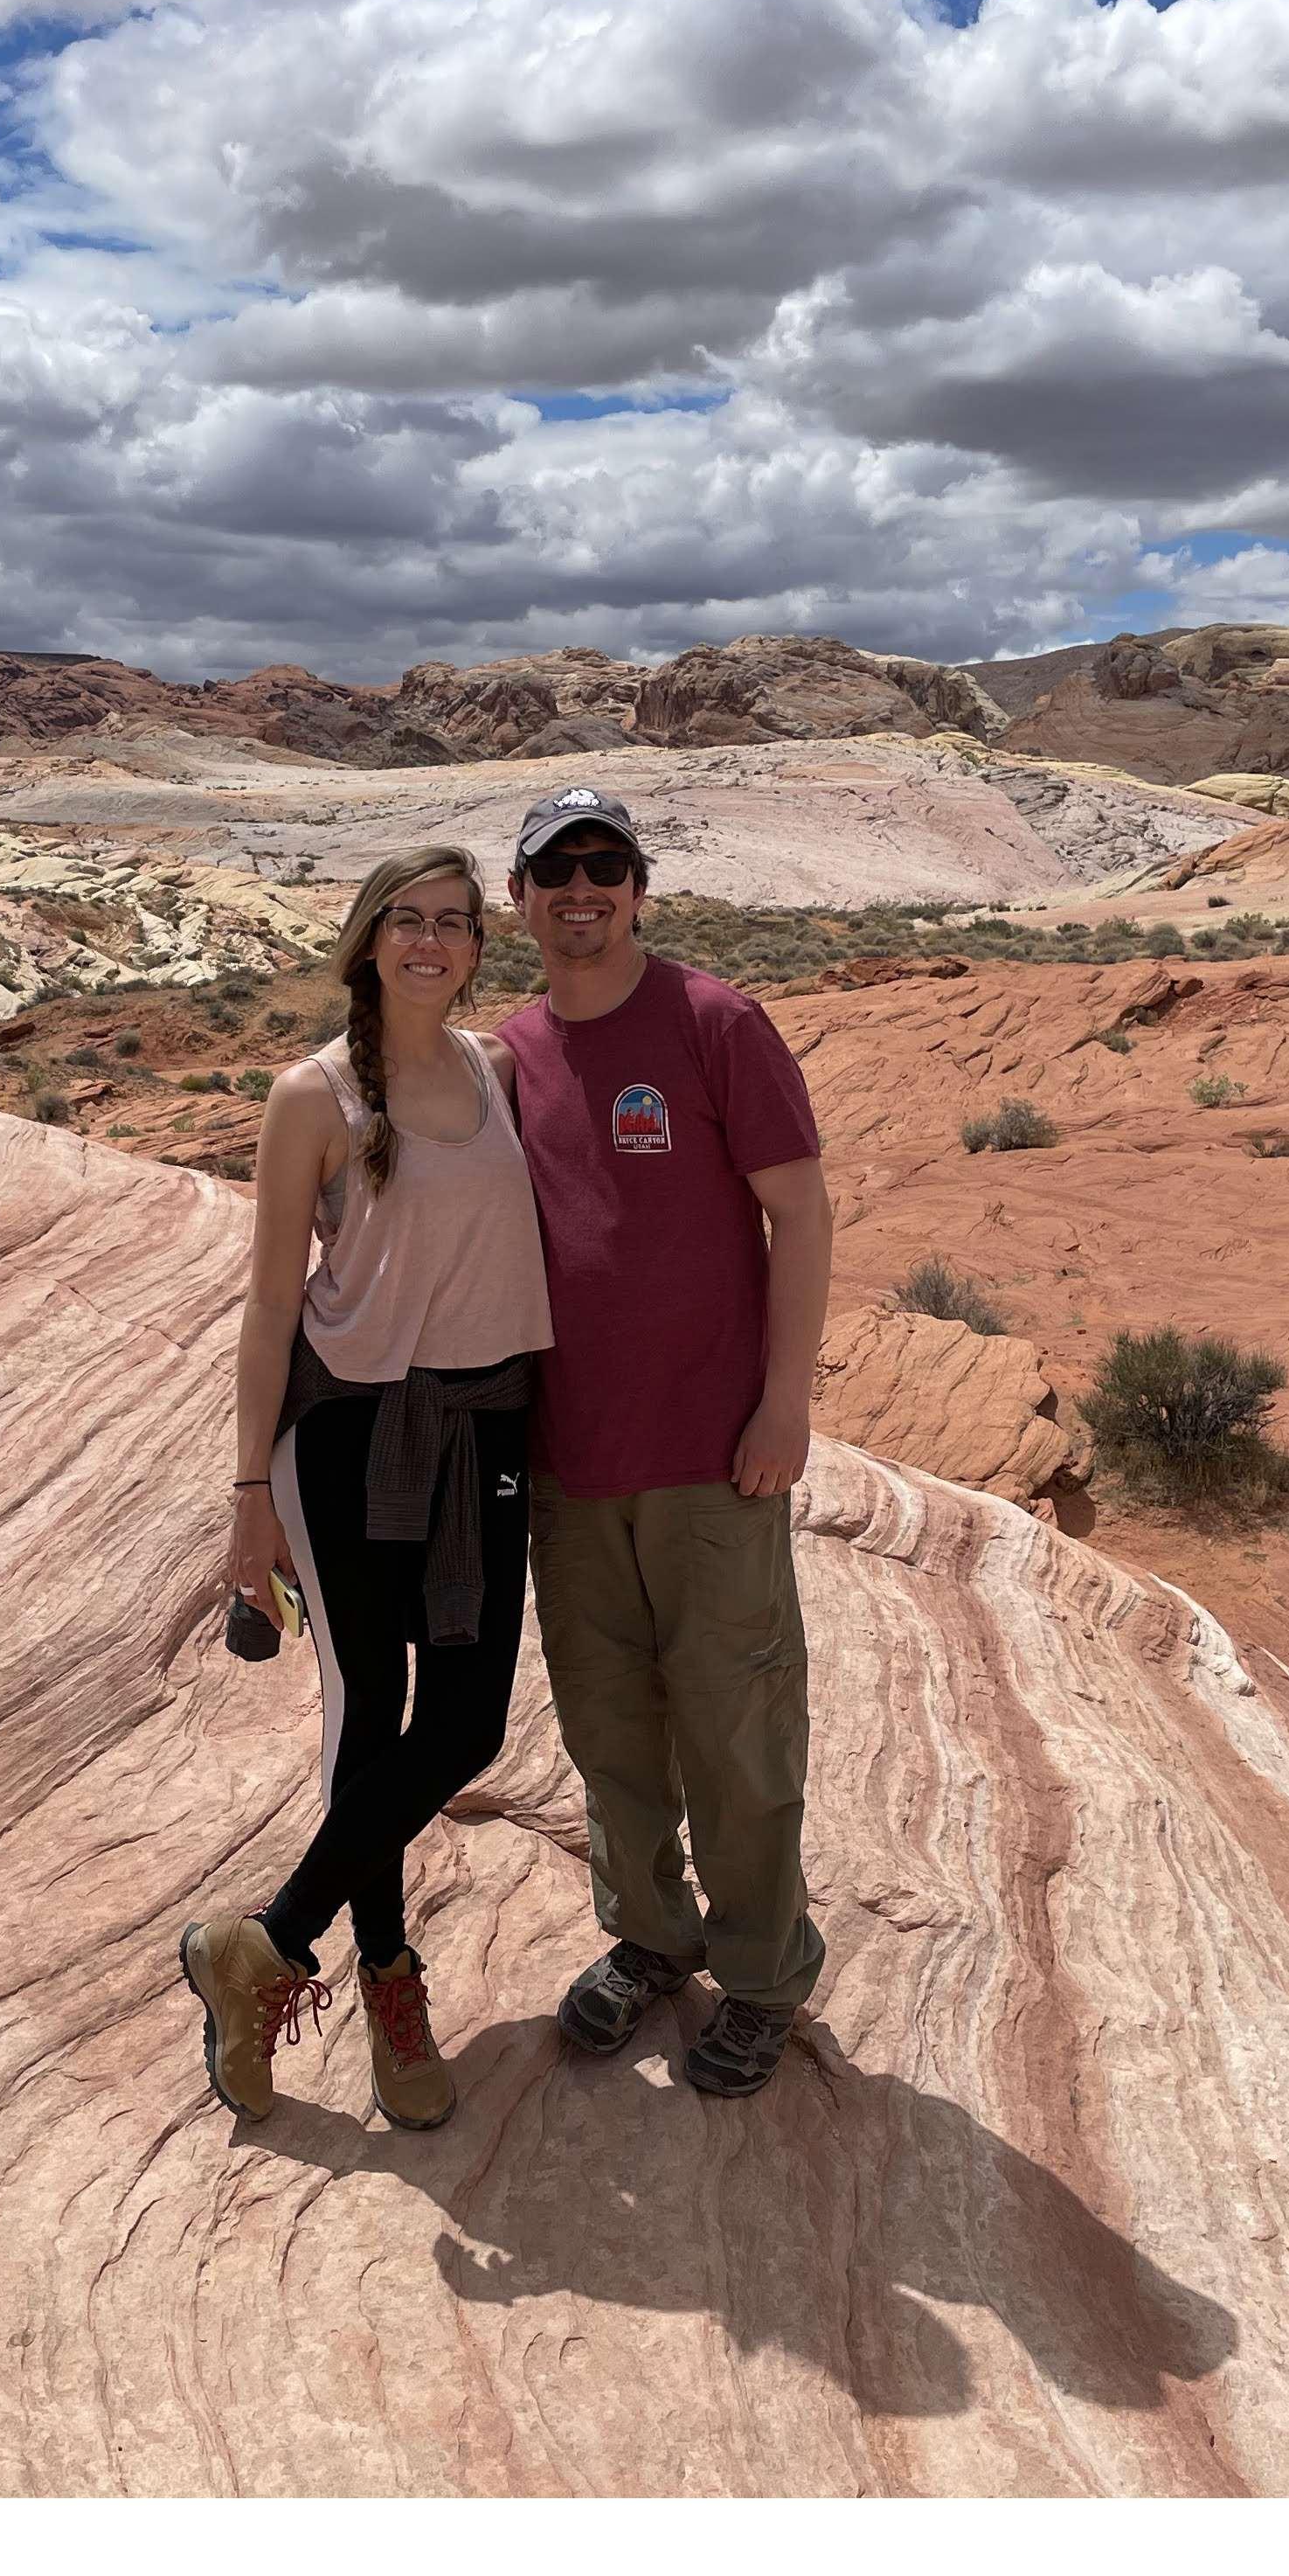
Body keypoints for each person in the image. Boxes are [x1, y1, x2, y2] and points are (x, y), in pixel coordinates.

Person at [180, 844, 553, 2129]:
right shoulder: (315, 1095)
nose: (432, 942)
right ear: (366, 940)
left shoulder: (499, 1069)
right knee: (374, 1717)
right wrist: (249, 1496)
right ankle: (390, 1986)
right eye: (408, 921)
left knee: (465, 1725)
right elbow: (272, 1300)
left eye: (454, 923)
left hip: (489, 1430)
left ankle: (262, 1944)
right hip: (354, 1437)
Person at [499, 784, 831, 2101]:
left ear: (639, 888)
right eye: (554, 870)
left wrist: (785, 1404)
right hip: (573, 1463)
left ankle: (761, 1974)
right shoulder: (509, 1054)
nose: (582, 891)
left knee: (736, 1724)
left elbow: (799, 1217)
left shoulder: (714, 1024)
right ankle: (650, 1936)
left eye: (606, 867)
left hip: (709, 1453)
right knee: (610, 1729)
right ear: (519, 897)